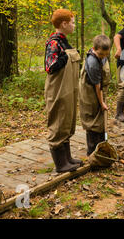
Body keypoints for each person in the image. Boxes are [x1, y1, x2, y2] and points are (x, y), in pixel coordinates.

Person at [44, 9, 82, 173]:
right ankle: (61, 164)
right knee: (59, 123)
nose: (74, 26)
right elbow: (50, 67)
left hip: (69, 90)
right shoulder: (54, 43)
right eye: (72, 22)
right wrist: (63, 58)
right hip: (58, 91)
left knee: (67, 122)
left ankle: (67, 158)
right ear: (64, 24)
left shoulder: (64, 42)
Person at [79, 35, 111, 156]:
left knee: (101, 120)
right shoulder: (92, 63)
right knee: (92, 121)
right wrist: (102, 102)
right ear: (94, 49)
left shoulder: (102, 55)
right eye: (101, 54)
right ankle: (92, 151)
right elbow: (98, 86)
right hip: (90, 93)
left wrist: (102, 102)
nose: (103, 57)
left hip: (99, 91)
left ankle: (101, 147)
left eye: (105, 55)